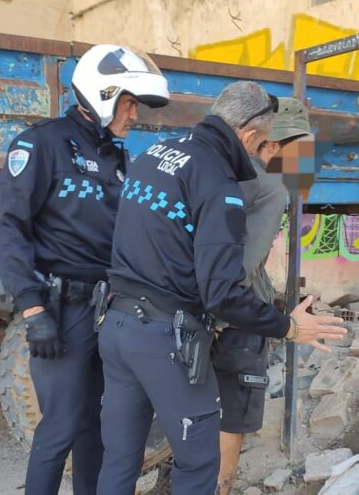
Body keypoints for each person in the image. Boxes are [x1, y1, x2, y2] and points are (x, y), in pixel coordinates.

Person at [96, 81, 345, 494]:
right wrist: (287, 326)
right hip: (174, 332)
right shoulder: (230, 182)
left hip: (117, 322)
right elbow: (230, 284)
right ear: (254, 136)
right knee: (199, 464)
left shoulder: (153, 155)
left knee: (120, 459)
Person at [0, 44, 169, 495]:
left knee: (97, 427)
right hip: (59, 311)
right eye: (130, 103)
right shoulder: (41, 143)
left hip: (107, 310)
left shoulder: (115, 157)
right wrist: (33, 311)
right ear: (103, 94)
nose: (135, 115)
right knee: (60, 427)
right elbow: (7, 230)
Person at [212, 96, 313, 495]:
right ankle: (221, 487)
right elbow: (245, 264)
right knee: (232, 413)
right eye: (300, 148)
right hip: (235, 313)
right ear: (272, 143)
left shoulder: (217, 170)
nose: (304, 160)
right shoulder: (271, 183)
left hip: (197, 308)